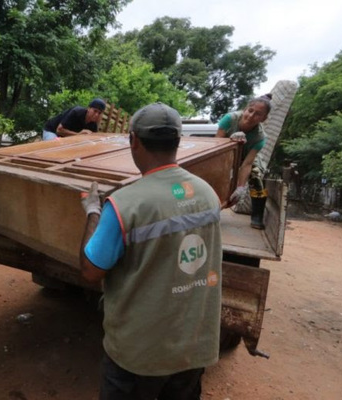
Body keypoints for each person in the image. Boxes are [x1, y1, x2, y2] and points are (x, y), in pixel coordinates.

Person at [79, 103, 222, 400]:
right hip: (192, 346)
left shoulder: (125, 204)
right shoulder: (207, 193)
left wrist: (93, 211)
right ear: (178, 141)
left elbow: (91, 271)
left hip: (138, 355)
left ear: (134, 140)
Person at [216, 94, 272, 229]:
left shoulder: (260, 137)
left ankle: (257, 216)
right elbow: (216, 144)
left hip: (246, 157)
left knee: (256, 175)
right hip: (225, 152)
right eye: (250, 110)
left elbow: (247, 164)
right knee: (215, 173)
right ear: (245, 109)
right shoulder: (229, 119)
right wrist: (230, 141)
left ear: (264, 119)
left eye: (258, 114)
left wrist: (240, 187)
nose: (251, 116)